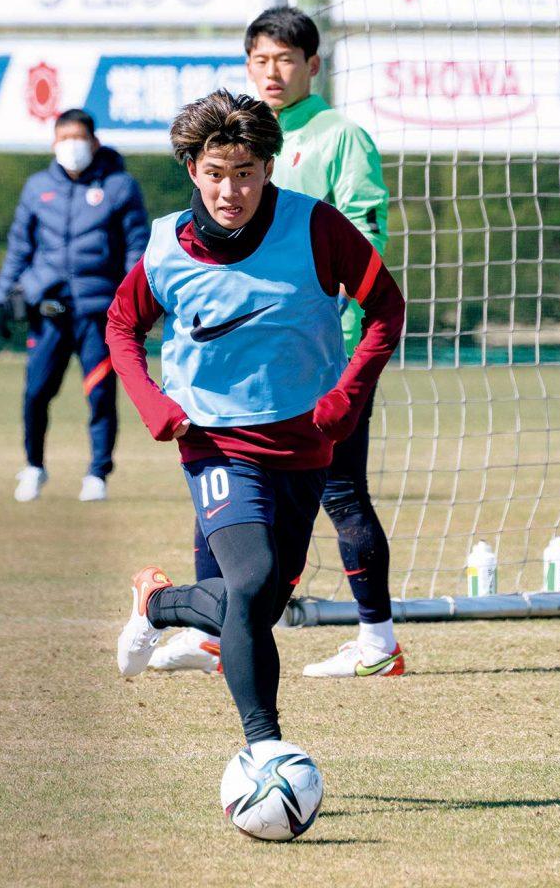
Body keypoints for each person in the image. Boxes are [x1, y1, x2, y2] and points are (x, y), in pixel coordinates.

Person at [109, 90, 403, 750]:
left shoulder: (316, 227)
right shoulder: (164, 247)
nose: (229, 191)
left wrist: (349, 393)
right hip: (213, 442)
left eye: (244, 173)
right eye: (215, 174)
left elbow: (385, 308)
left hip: (304, 441)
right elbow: (122, 324)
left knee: (258, 604)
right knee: (247, 584)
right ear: (192, 170)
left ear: (268, 167)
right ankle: (264, 749)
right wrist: (153, 403)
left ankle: (155, 604)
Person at [149, 7, 402, 678]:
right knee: (223, 495)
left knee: (340, 492)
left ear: (312, 65)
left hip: (324, 356)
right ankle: (213, 633)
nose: (272, 71)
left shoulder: (338, 136)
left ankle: (376, 639)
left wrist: (340, 326)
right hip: (237, 367)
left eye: (285, 59)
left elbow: (363, 237)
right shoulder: (229, 134)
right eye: (260, 59)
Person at [0, 108, 149, 503]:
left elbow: (136, 246)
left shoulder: (119, 187)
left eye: (78, 138)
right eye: (63, 139)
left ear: (94, 143)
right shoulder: (36, 188)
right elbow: (19, 246)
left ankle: (97, 473)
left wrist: (131, 298)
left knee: (99, 395)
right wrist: (3, 294)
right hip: (47, 312)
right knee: (36, 393)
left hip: (97, 314)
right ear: (53, 143)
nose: (71, 147)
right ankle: (33, 466)